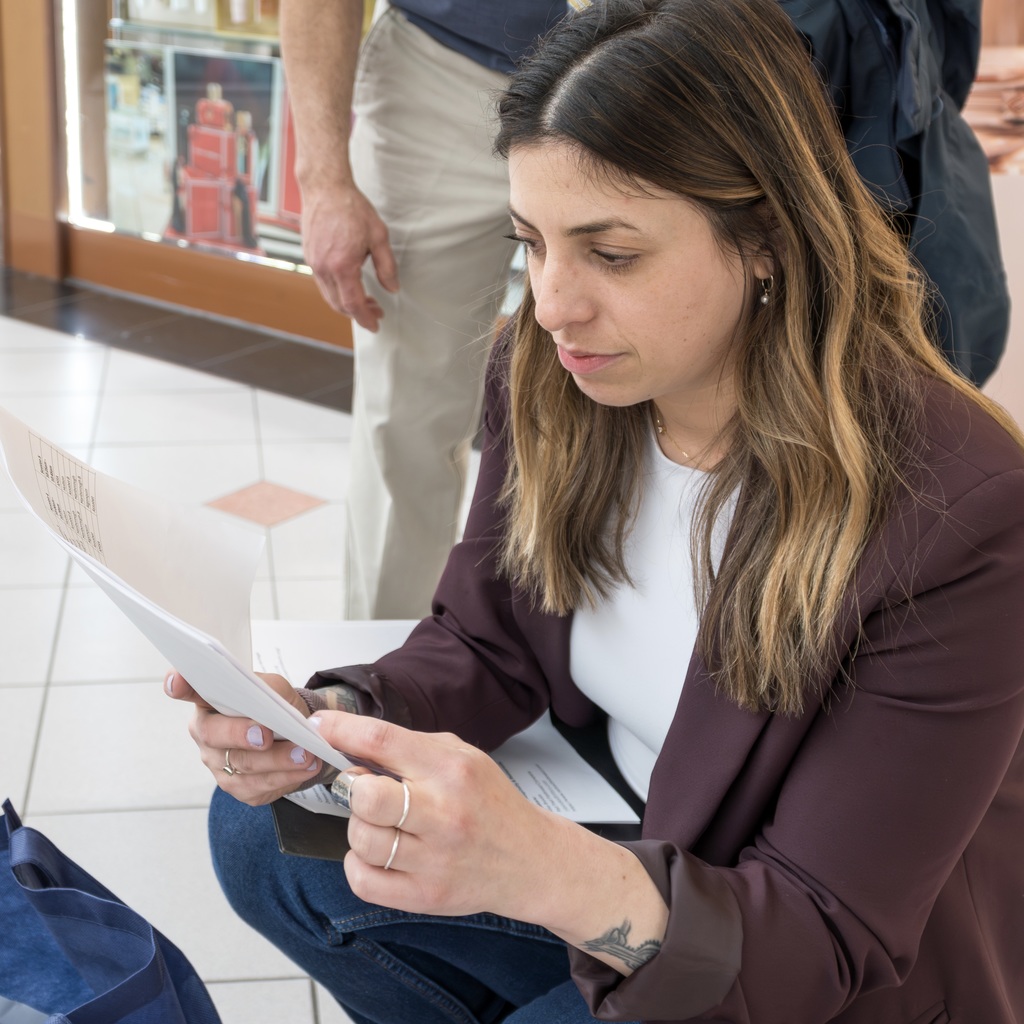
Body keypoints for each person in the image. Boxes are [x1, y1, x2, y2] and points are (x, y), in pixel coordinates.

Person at [168, 0, 1024, 1020]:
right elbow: (484, 641)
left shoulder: (958, 510)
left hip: (799, 954)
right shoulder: (554, 376)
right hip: (627, 840)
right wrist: (337, 724)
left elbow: (821, 935)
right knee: (269, 836)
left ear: (766, 239)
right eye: (531, 242)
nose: (551, 303)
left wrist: (531, 868)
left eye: (610, 254)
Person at [279, 0, 566, 620]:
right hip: (442, 74)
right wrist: (325, 179)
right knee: (406, 420)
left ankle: (599, 687)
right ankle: (382, 676)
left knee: (639, 404)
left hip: (653, 73)